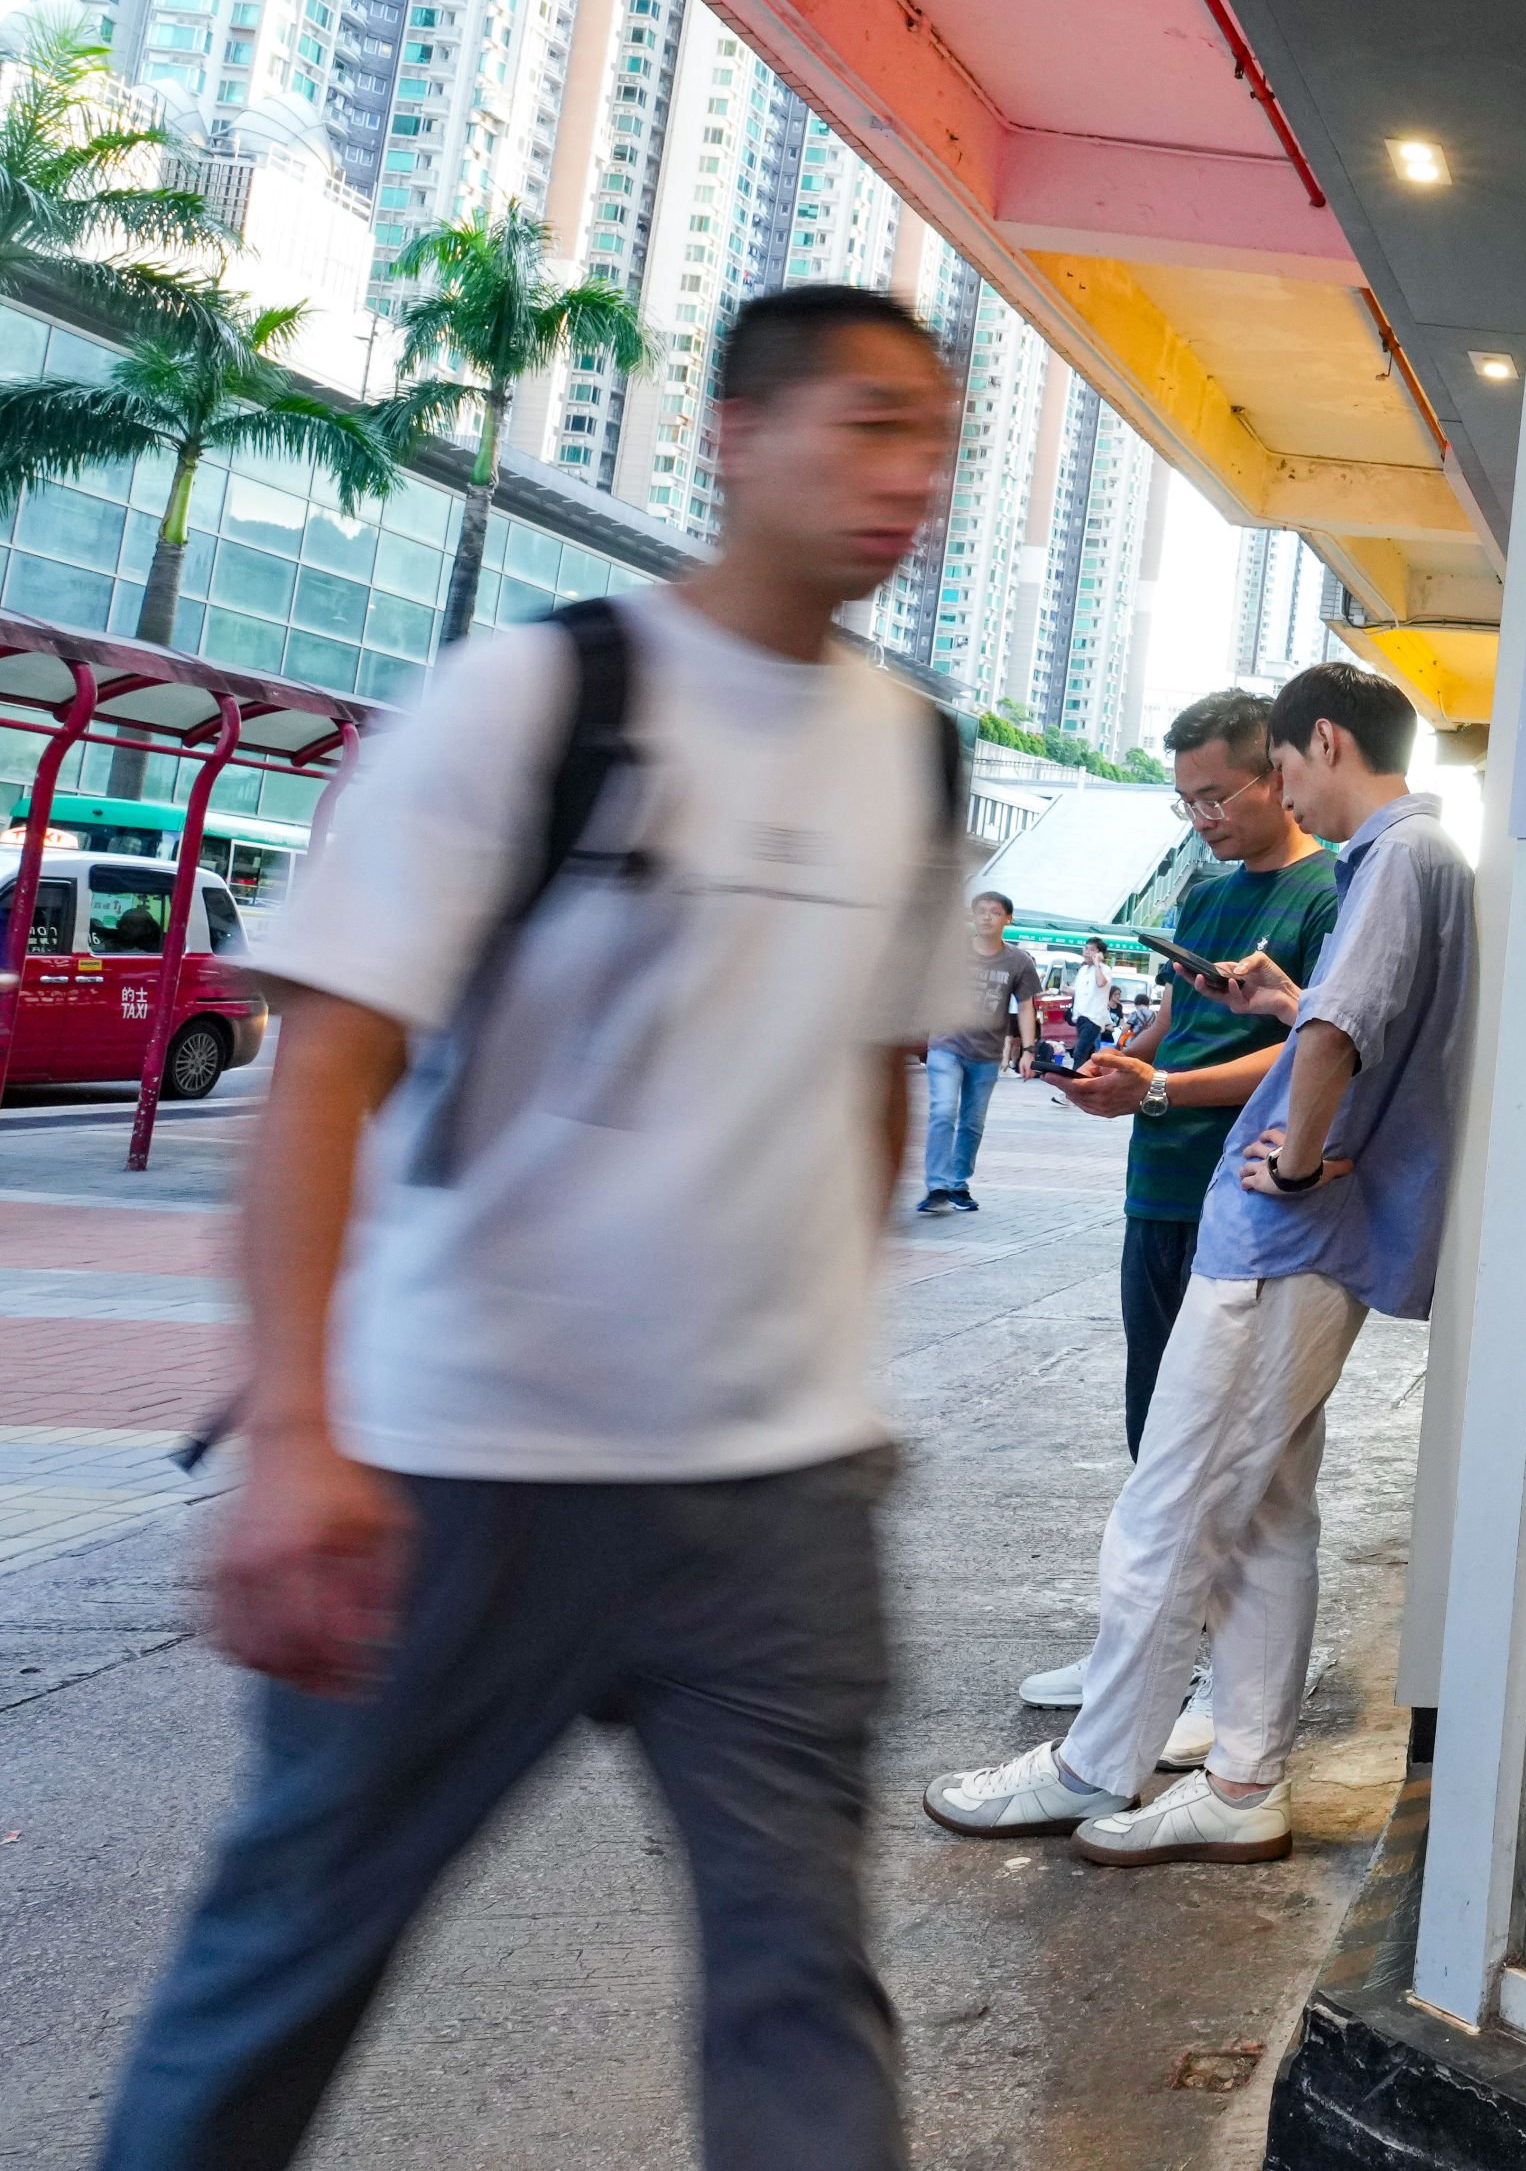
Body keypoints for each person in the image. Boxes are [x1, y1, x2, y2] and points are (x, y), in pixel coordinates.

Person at [100, 282, 971, 2171]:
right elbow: (326, 1066)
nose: (913, 477)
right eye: (872, 423)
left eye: (939, 441)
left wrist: (825, 1339)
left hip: (775, 1502)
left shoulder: (915, 753)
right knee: (284, 1969)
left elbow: (879, 1071)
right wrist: (304, 1437)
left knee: (801, 1982)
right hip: (460, 1472)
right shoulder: (542, 695)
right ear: (737, 438)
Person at [923, 662, 1473, 1866]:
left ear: (1325, 740)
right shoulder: (1420, 861)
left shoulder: (1391, 856)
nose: (1277, 792)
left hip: (1285, 1239)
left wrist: (1292, 1157)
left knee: (1173, 1502)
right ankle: (1237, 1778)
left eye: (1279, 768)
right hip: (1313, 1243)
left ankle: (1093, 1760)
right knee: (1266, 1509)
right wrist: (1289, 1005)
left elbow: (1344, 1032)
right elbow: (1330, 1015)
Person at [1010, 691, 1343, 1746]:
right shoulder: (1202, 895)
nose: (1202, 816)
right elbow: (1184, 1016)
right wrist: (1124, 1060)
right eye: (1185, 798)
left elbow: (1309, 1051)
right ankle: (1141, 1639)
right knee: (1155, 1431)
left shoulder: (1327, 891)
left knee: (1233, 1453)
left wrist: (1161, 1088)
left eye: (1218, 794)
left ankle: (1207, 1670)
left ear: (1279, 774)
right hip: (1158, 1188)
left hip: (1242, 1199)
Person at [916, 891, 1041, 1216]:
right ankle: (936, 1185)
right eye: (981, 911)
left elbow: (1026, 1007)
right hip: (947, 1044)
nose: (987, 917)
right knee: (943, 1111)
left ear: (1007, 919)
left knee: (972, 1122)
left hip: (986, 1052)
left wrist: (1028, 1051)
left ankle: (958, 1183)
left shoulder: (1018, 961)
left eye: (995, 912)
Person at [1066, 942, 1118, 1059]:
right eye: (1086, 948)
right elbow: (1079, 991)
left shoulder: (1104, 969)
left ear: (1100, 953)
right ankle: (1084, 1074)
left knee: (1079, 1052)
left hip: (1093, 1018)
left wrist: (1097, 964)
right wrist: (1065, 990)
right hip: (1080, 1016)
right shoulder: (1083, 969)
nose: (1087, 952)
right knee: (1087, 1052)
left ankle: (1076, 1076)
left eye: (1092, 949)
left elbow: (1101, 983)